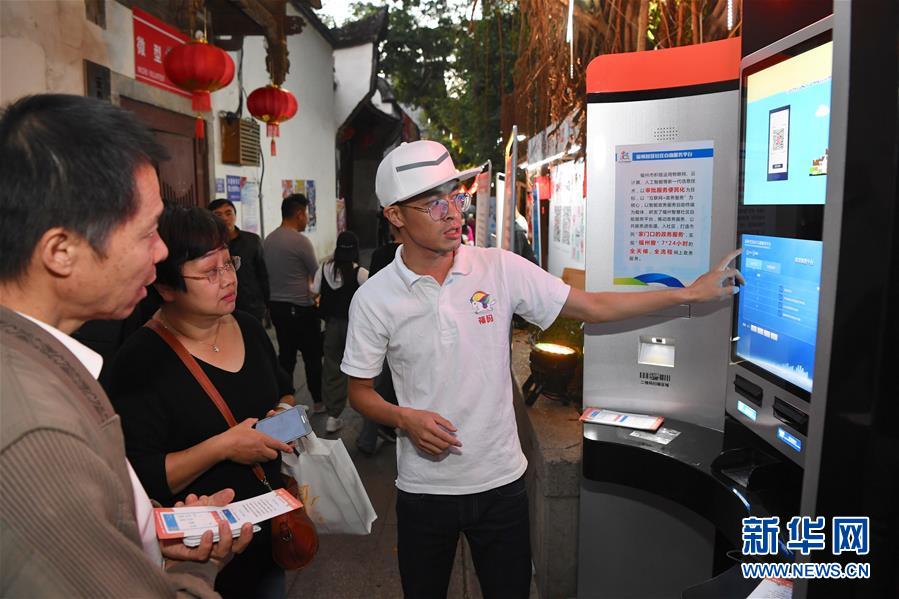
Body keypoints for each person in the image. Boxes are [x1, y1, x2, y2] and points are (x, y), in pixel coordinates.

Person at [341, 139, 744, 598]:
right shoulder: (374, 299)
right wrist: (404, 418)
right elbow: (359, 391)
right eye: (434, 204)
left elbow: (592, 306)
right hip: (424, 490)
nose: (452, 213)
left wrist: (687, 294)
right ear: (395, 215)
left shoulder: (498, 269)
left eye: (456, 196)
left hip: (501, 484)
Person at [0, 93, 252, 597]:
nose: (160, 253)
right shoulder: (37, 432)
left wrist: (150, 534)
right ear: (61, 251)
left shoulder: (42, 360)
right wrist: (197, 572)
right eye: (147, 233)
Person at [107, 205, 296, 599]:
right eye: (210, 272)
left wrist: (282, 416)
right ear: (166, 287)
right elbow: (141, 475)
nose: (228, 279)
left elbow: (283, 389)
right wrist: (224, 446)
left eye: (229, 263)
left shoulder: (248, 327)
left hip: (268, 533)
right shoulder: (140, 362)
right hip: (198, 554)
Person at [264, 194, 324, 414]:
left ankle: (284, 403)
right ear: (299, 214)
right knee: (312, 357)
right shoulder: (300, 241)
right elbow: (316, 275)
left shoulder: (269, 240)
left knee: (286, 356)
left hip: (277, 308)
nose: (306, 218)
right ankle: (318, 402)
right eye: (305, 213)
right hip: (301, 309)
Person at [311, 230, 369, 433]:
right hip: (355, 328)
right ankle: (368, 418)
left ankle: (333, 416)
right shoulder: (360, 273)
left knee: (332, 369)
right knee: (362, 370)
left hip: (332, 326)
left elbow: (314, 291)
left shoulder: (323, 269)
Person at [208, 198, 270, 323]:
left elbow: (262, 274)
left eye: (228, 213)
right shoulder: (207, 245)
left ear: (235, 215)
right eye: (218, 215)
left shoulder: (252, 240)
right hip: (220, 309)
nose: (225, 218)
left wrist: (267, 304)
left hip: (251, 307)